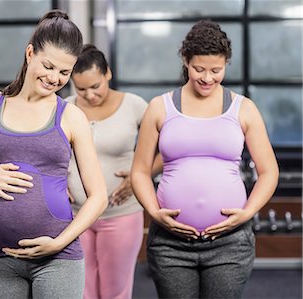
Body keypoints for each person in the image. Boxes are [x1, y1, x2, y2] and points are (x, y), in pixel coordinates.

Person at [0, 10, 108, 299]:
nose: (54, 78)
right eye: (48, 66)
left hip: (58, 258)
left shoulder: (71, 116)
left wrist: (60, 242)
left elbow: (98, 196)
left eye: (64, 72)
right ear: (30, 53)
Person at [131, 20, 279, 299]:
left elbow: (269, 171)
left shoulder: (243, 108)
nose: (208, 78)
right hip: (170, 243)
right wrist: (154, 211)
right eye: (199, 69)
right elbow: (139, 171)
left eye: (216, 70)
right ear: (185, 61)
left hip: (230, 243)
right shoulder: (159, 107)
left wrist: (247, 212)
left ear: (226, 64)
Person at [66, 44, 162, 299]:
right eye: (81, 89)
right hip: (75, 215)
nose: (89, 95)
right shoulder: (64, 108)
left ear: (107, 73)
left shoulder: (134, 105)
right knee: (80, 290)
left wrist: (140, 176)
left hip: (121, 213)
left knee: (114, 291)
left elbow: (168, 148)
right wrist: (55, 181)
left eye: (95, 86)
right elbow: (46, 154)